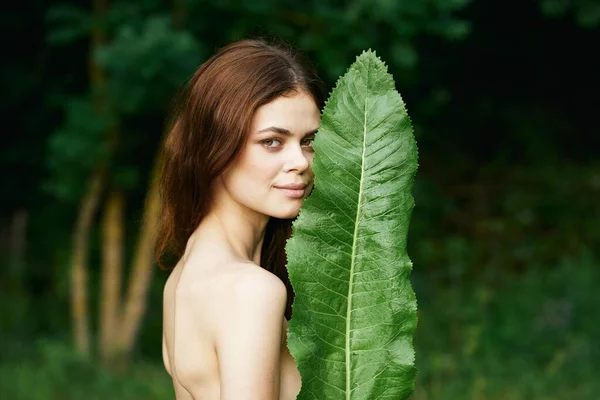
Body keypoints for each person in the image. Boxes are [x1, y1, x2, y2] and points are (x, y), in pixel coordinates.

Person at [156, 38, 325, 399]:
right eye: (272, 142)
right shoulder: (251, 291)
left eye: (308, 139)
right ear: (215, 144)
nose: (300, 161)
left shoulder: (184, 277)